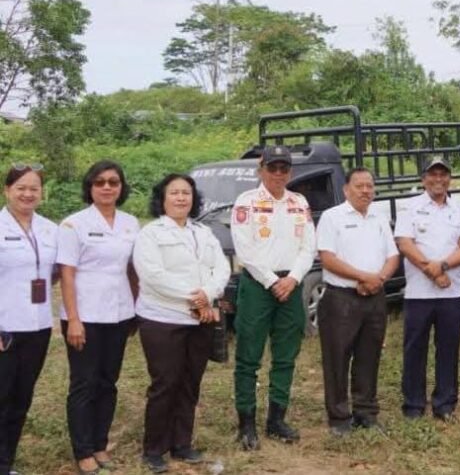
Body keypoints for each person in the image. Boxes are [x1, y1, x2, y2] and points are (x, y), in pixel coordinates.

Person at [133, 173, 229, 474]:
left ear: (193, 198)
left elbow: (221, 266)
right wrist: (197, 299)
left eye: (186, 193)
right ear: (162, 198)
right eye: (173, 193)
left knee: (190, 382)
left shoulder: (203, 231)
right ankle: (154, 449)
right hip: (163, 319)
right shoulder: (151, 233)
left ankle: (181, 443)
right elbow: (153, 275)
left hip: (199, 321)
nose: (180, 198)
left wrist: (209, 293)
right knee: (165, 383)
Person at [231, 145, 318, 450]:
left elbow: (309, 247)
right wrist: (272, 282)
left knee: (285, 355)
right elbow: (245, 250)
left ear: (290, 172)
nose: (278, 174)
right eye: (273, 168)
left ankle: (276, 419)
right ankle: (246, 424)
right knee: (248, 356)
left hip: (291, 285)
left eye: (284, 168)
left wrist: (292, 279)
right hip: (258, 285)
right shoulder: (247, 202)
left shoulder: (299, 201)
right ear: (261, 169)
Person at [57, 161, 139, 474]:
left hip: (119, 313)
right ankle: (83, 450)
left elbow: (132, 269)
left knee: (108, 382)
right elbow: (66, 274)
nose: (107, 187)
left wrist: (135, 309)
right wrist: (73, 320)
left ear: (121, 187)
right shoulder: (73, 225)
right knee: (84, 383)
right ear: (89, 187)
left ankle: (100, 444)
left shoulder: (131, 223)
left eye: (113, 182)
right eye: (100, 182)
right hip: (85, 315)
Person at [316, 168, 400, 435]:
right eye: (360, 186)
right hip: (341, 297)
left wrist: (379, 279)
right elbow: (328, 258)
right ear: (346, 189)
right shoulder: (332, 217)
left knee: (369, 356)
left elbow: (393, 256)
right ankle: (339, 418)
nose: (365, 191)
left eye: (370, 186)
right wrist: (363, 277)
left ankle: (366, 413)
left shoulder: (379, 217)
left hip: (375, 297)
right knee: (337, 358)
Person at [394, 156, 460, 422]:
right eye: (433, 174)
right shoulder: (411, 207)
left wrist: (441, 266)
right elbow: (405, 243)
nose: (438, 179)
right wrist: (432, 271)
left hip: (452, 293)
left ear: (449, 178)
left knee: (449, 349)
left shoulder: (459, 208)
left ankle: (445, 403)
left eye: (443, 174)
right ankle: (414, 405)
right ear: (423, 178)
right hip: (419, 293)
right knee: (415, 349)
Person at [0, 163, 58, 475]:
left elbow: (56, 273)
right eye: (21, 187)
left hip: (38, 326)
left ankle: (6, 462)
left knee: (22, 397)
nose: (27, 193)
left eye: (34, 188)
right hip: (5, 327)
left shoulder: (50, 229)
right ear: (7, 190)